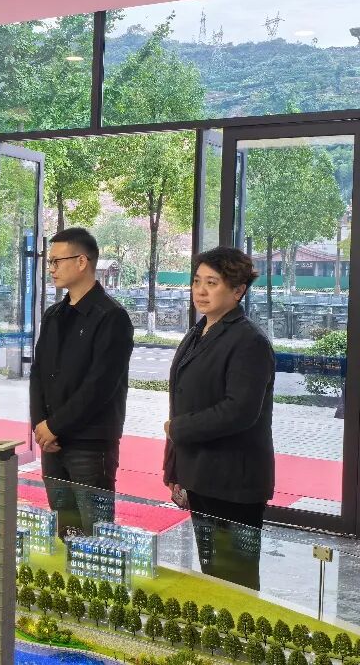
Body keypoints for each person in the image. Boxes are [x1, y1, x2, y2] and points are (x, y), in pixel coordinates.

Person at [164, 246, 275, 590]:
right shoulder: (199, 331)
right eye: (197, 281)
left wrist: (179, 429)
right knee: (213, 573)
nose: (200, 290)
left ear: (238, 290)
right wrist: (175, 469)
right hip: (201, 473)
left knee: (235, 580)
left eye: (212, 283)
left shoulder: (249, 341)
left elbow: (239, 411)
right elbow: (182, 400)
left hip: (233, 481)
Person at [29, 228, 134, 536]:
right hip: (52, 442)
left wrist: (55, 425)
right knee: (65, 531)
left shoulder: (111, 317)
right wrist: (40, 425)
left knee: (96, 537)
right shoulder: (54, 314)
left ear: (81, 262)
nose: (51, 268)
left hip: (89, 442)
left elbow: (100, 387)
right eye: (49, 262)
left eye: (56, 261)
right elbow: (38, 374)